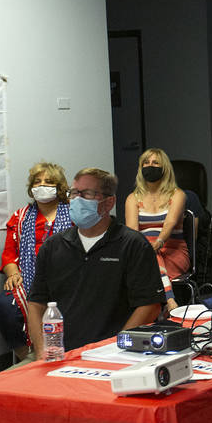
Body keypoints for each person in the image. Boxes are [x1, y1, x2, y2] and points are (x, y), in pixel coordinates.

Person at [26, 168, 164, 358]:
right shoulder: (53, 246)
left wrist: (117, 347)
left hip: (113, 354)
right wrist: (42, 350)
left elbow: (150, 306)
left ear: (108, 203)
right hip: (59, 353)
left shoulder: (133, 245)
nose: (77, 199)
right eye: (74, 193)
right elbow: (35, 303)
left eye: (87, 194)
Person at [0, 162, 73, 361]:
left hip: (66, 277)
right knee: (4, 305)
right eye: (37, 182)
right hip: (28, 279)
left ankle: (67, 350)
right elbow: (9, 254)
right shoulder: (20, 217)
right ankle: (26, 356)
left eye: (48, 182)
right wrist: (13, 273)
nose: (42, 186)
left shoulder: (74, 214)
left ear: (59, 187)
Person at [124, 148, 188, 312]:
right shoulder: (133, 198)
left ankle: (165, 302)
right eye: (146, 162)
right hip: (145, 253)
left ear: (164, 168)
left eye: (155, 163)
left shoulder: (177, 194)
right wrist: (146, 249)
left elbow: (170, 223)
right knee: (149, 255)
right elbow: (133, 233)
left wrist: (159, 242)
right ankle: (168, 300)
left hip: (174, 252)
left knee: (151, 258)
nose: (149, 166)